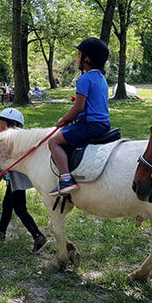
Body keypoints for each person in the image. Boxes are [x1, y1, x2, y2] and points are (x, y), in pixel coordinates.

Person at [48, 37, 110, 195]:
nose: (77, 58)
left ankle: (66, 179)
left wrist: (64, 119)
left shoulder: (84, 79)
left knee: (54, 141)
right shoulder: (102, 79)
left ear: (87, 59)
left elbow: (78, 107)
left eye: (79, 54)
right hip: (104, 124)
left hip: (90, 125)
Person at [0, 108, 47, 253]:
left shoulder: (18, 141)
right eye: (0, 127)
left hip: (18, 179)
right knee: (7, 205)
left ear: (14, 126)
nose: (0, 130)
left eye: (3, 127)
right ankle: (1, 232)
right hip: (13, 178)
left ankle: (38, 236)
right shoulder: (9, 140)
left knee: (20, 208)